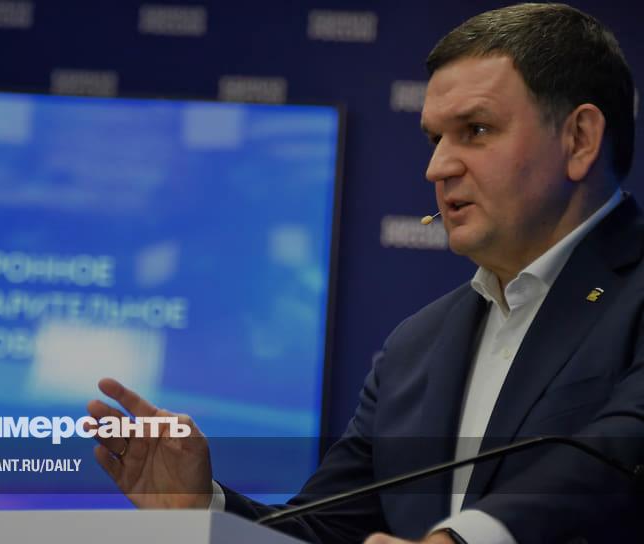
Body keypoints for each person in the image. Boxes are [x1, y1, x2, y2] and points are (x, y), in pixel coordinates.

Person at [87, 3, 644, 543]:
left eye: (475, 130)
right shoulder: (417, 347)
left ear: (579, 139)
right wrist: (202, 511)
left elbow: (619, 450)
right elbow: (325, 528)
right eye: (435, 138)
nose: (437, 167)